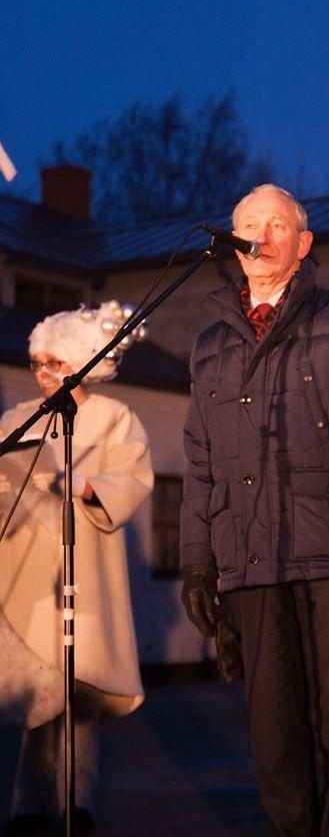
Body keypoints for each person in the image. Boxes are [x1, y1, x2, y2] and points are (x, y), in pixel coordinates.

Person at [180, 184, 329, 837]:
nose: (260, 236)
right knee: (273, 733)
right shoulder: (209, 344)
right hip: (252, 560)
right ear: (232, 243)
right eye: (247, 226)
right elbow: (200, 465)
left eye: (276, 225)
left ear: (303, 243)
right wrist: (197, 566)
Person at [0, 303, 153, 836]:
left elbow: (131, 478)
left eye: (55, 364)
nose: (43, 375)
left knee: (78, 691)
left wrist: (83, 485)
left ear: (82, 363)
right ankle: (29, 807)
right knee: (39, 693)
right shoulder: (16, 418)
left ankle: (75, 801)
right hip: (30, 570)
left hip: (83, 569)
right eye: (37, 363)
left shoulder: (113, 416)